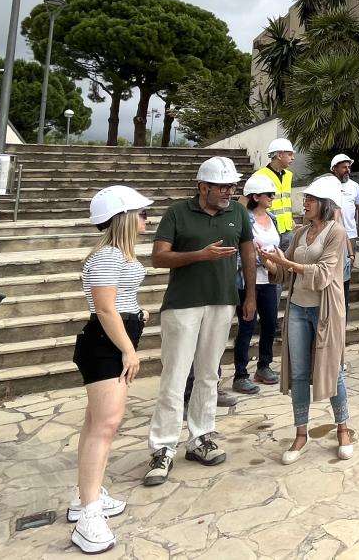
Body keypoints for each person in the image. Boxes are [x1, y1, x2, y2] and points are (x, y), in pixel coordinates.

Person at [144, 157, 256, 487]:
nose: (228, 192)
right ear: (202, 187)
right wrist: (200, 255)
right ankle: (163, 447)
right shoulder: (177, 212)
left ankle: (201, 437)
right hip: (183, 305)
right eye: (222, 187)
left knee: (209, 374)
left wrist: (250, 295)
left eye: (231, 187)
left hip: (222, 302)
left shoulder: (238, 213)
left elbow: (248, 253)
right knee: (175, 376)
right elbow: (158, 257)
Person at [68, 186, 153, 554]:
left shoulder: (118, 254)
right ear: (124, 218)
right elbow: (104, 308)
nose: (147, 219)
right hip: (107, 346)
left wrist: (137, 313)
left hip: (113, 340)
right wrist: (129, 350)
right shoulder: (108, 255)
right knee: (105, 426)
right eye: (142, 213)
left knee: (96, 423)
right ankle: (88, 513)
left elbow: (117, 299)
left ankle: (85, 496)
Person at [261, 178, 355, 464]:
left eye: (310, 199)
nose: (305, 203)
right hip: (298, 309)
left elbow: (324, 273)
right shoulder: (300, 232)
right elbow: (285, 273)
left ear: (324, 204)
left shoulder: (336, 232)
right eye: (305, 199)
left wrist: (287, 264)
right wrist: (270, 262)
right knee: (299, 373)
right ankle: (300, 433)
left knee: (333, 370)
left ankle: (343, 429)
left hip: (326, 311)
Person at [231, 172, 282, 394]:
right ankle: (240, 374)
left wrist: (274, 263)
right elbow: (240, 253)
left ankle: (264, 366)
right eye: (269, 194)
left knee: (270, 324)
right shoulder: (244, 219)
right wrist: (261, 260)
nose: (272, 197)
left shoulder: (273, 218)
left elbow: (277, 247)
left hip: (269, 280)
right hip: (247, 282)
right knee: (247, 326)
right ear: (255, 196)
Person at [327, 153, 359, 310]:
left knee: (346, 271)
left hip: (350, 235)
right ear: (334, 168)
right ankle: (331, 303)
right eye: (344, 167)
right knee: (331, 268)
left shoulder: (355, 186)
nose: (347, 170)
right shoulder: (327, 185)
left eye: (349, 167)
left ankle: (343, 306)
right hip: (330, 235)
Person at [258, 138, 297, 251]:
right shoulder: (260, 176)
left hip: (287, 229)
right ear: (279, 155)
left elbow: (285, 200)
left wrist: (290, 219)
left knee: (286, 261)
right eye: (289, 154)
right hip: (269, 228)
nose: (293, 158)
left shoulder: (288, 175)